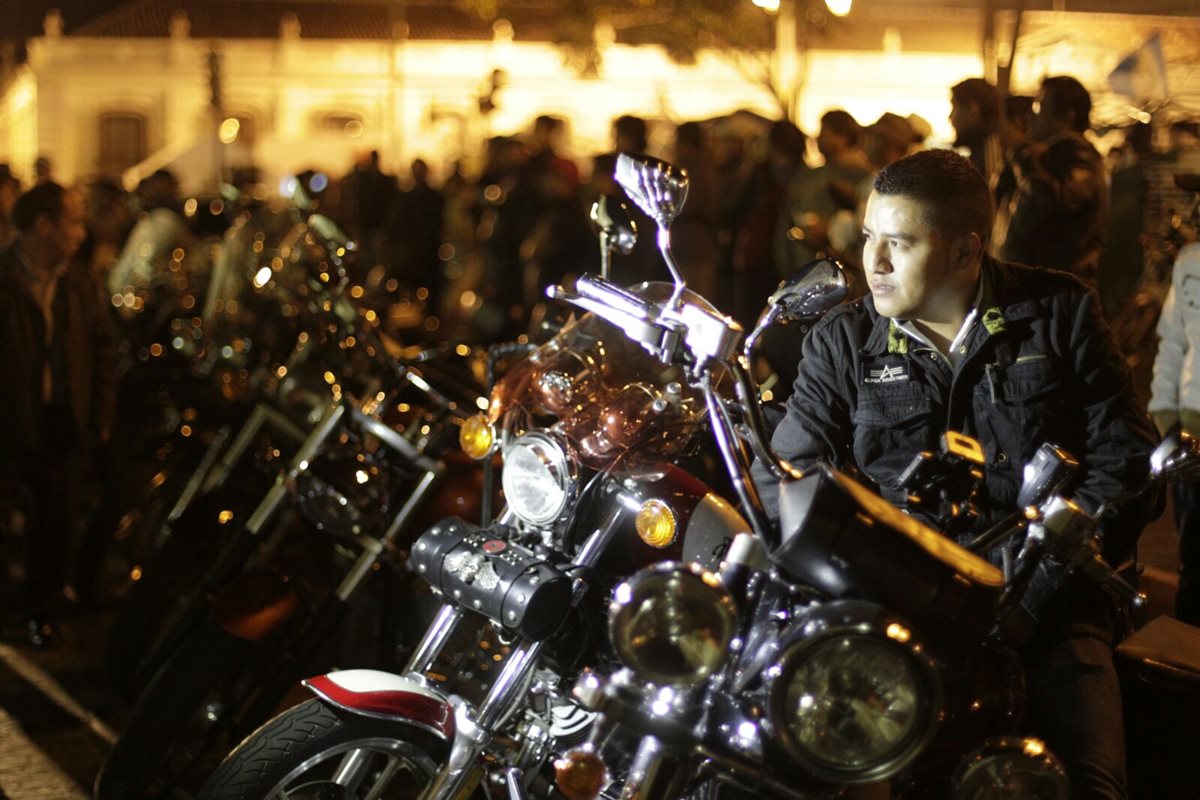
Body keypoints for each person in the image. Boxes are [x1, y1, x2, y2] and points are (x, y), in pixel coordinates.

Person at [751, 149, 1158, 799]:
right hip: (898, 602)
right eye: (868, 239)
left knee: (1089, 782)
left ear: (966, 252)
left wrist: (1041, 579)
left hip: (1045, 605)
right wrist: (857, 567)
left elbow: (1127, 461)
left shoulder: (1058, 314)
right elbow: (785, 472)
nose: (874, 263)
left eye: (900, 244)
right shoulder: (843, 339)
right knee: (803, 765)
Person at [0, 182, 118, 646]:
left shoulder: (78, 280)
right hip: (10, 420)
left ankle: (40, 608)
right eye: (69, 220)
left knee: (56, 522)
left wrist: (99, 416)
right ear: (43, 226)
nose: (78, 230)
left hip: (63, 419)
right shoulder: (5, 279)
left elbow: (102, 348)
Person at [993, 75, 1107, 287]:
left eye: (1038, 106)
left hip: (1057, 292)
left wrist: (1023, 156)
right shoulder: (1046, 153)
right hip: (1040, 289)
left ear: (1067, 115)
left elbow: (1055, 200)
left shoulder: (1077, 154)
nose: (1029, 115)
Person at [1148, 240, 1200, 626]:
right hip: (1192, 429)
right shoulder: (1191, 261)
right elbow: (1173, 341)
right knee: (1195, 552)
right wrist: (1164, 409)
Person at [949, 77, 1009, 194]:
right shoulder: (985, 151)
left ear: (973, 110)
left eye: (954, 107)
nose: (950, 117)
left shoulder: (993, 156)